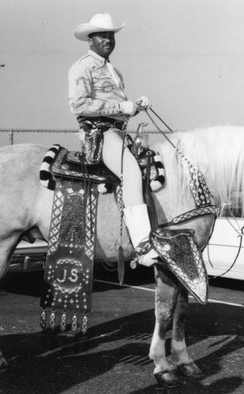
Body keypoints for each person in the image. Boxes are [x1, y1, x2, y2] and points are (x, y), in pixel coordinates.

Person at [68, 13, 158, 266]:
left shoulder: (113, 70)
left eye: (110, 35)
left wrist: (136, 107)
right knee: (130, 170)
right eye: (102, 35)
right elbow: (79, 105)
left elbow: (119, 108)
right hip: (98, 133)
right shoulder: (82, 67)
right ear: (90, 39)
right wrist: (121, 105)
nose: (107, 39)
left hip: (118, 132)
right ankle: (142, 243)